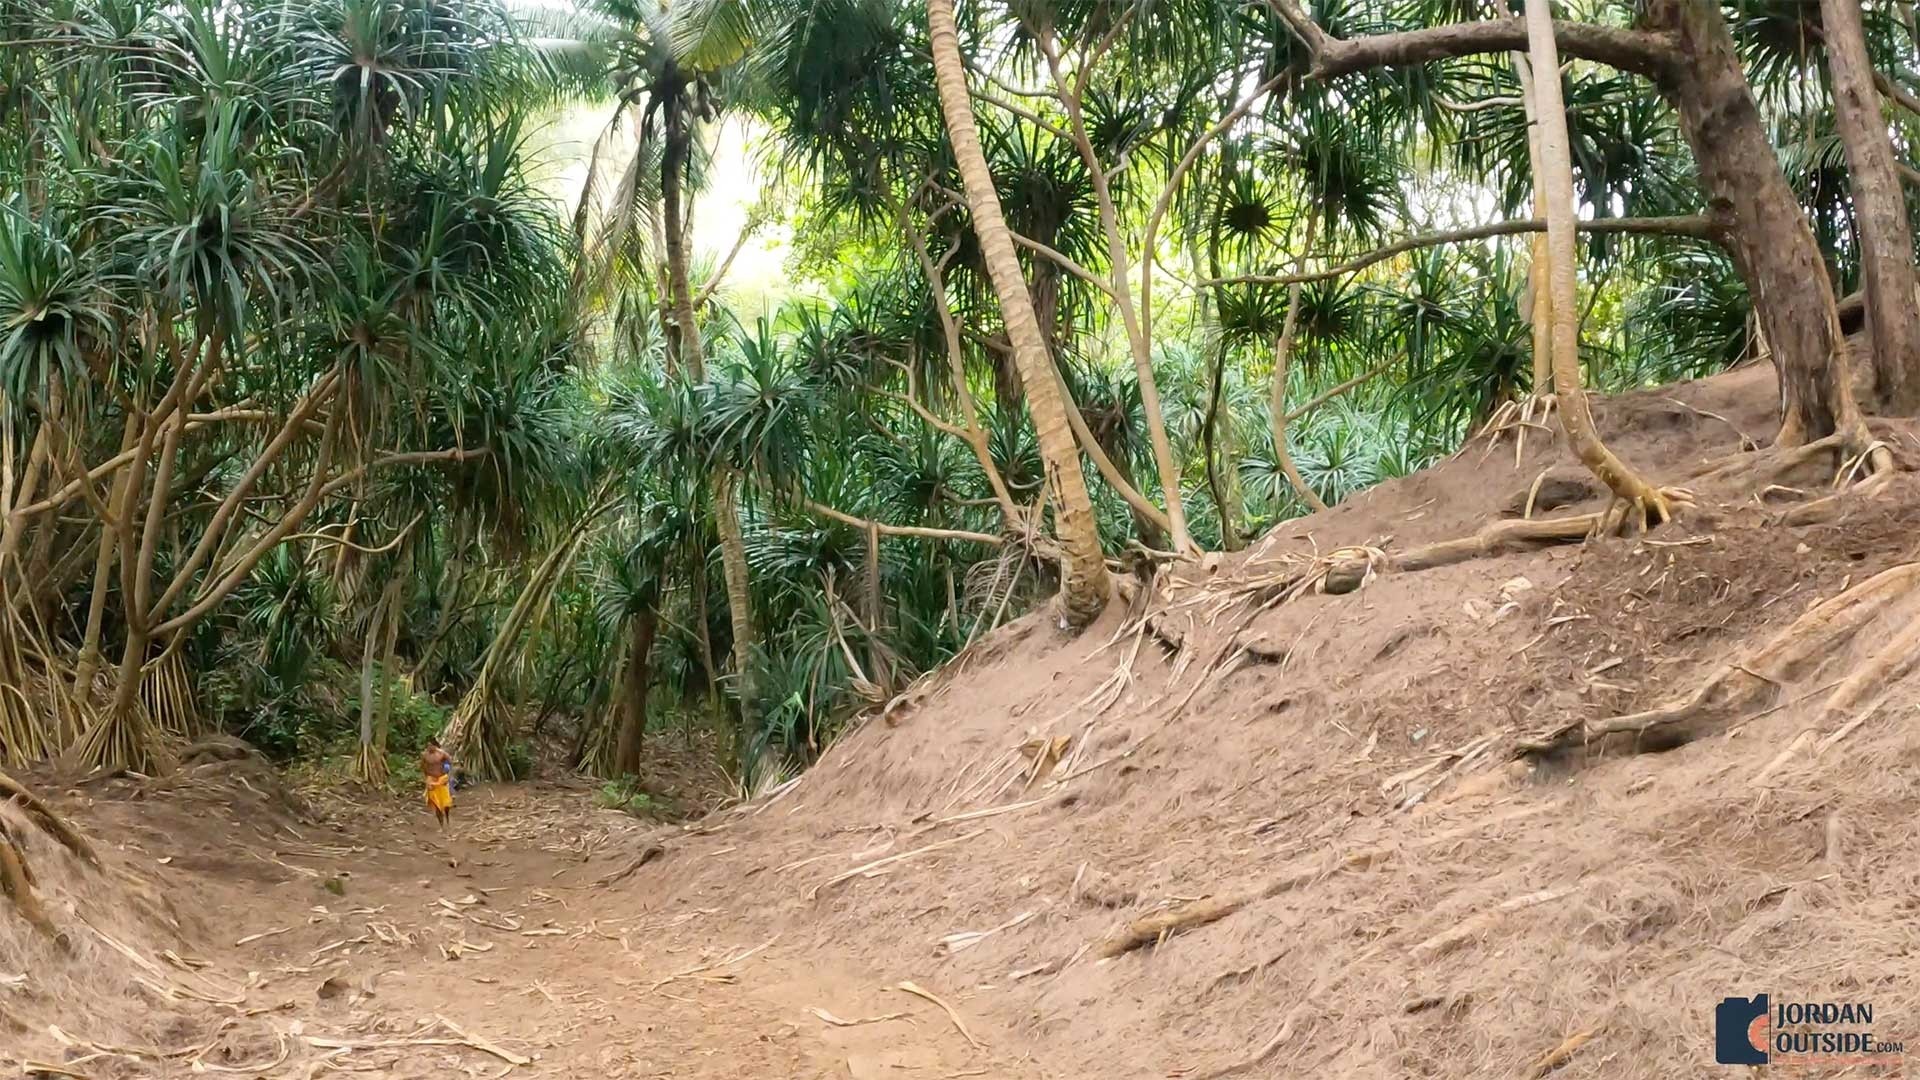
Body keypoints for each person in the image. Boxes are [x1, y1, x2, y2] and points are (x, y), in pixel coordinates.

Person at [421, 738, 454, 829]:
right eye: (428, 746)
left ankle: (447, 820)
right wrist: (426, 780)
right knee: (436, 804)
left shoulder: (442, 754)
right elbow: (423, 767)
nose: (429, 747)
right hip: (431, 780)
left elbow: (450, 763)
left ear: (435, 746)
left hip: (441, 779)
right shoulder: (425, 755)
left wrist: (447, 776)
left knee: (446, 803)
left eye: (431, 745)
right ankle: (441, 825)